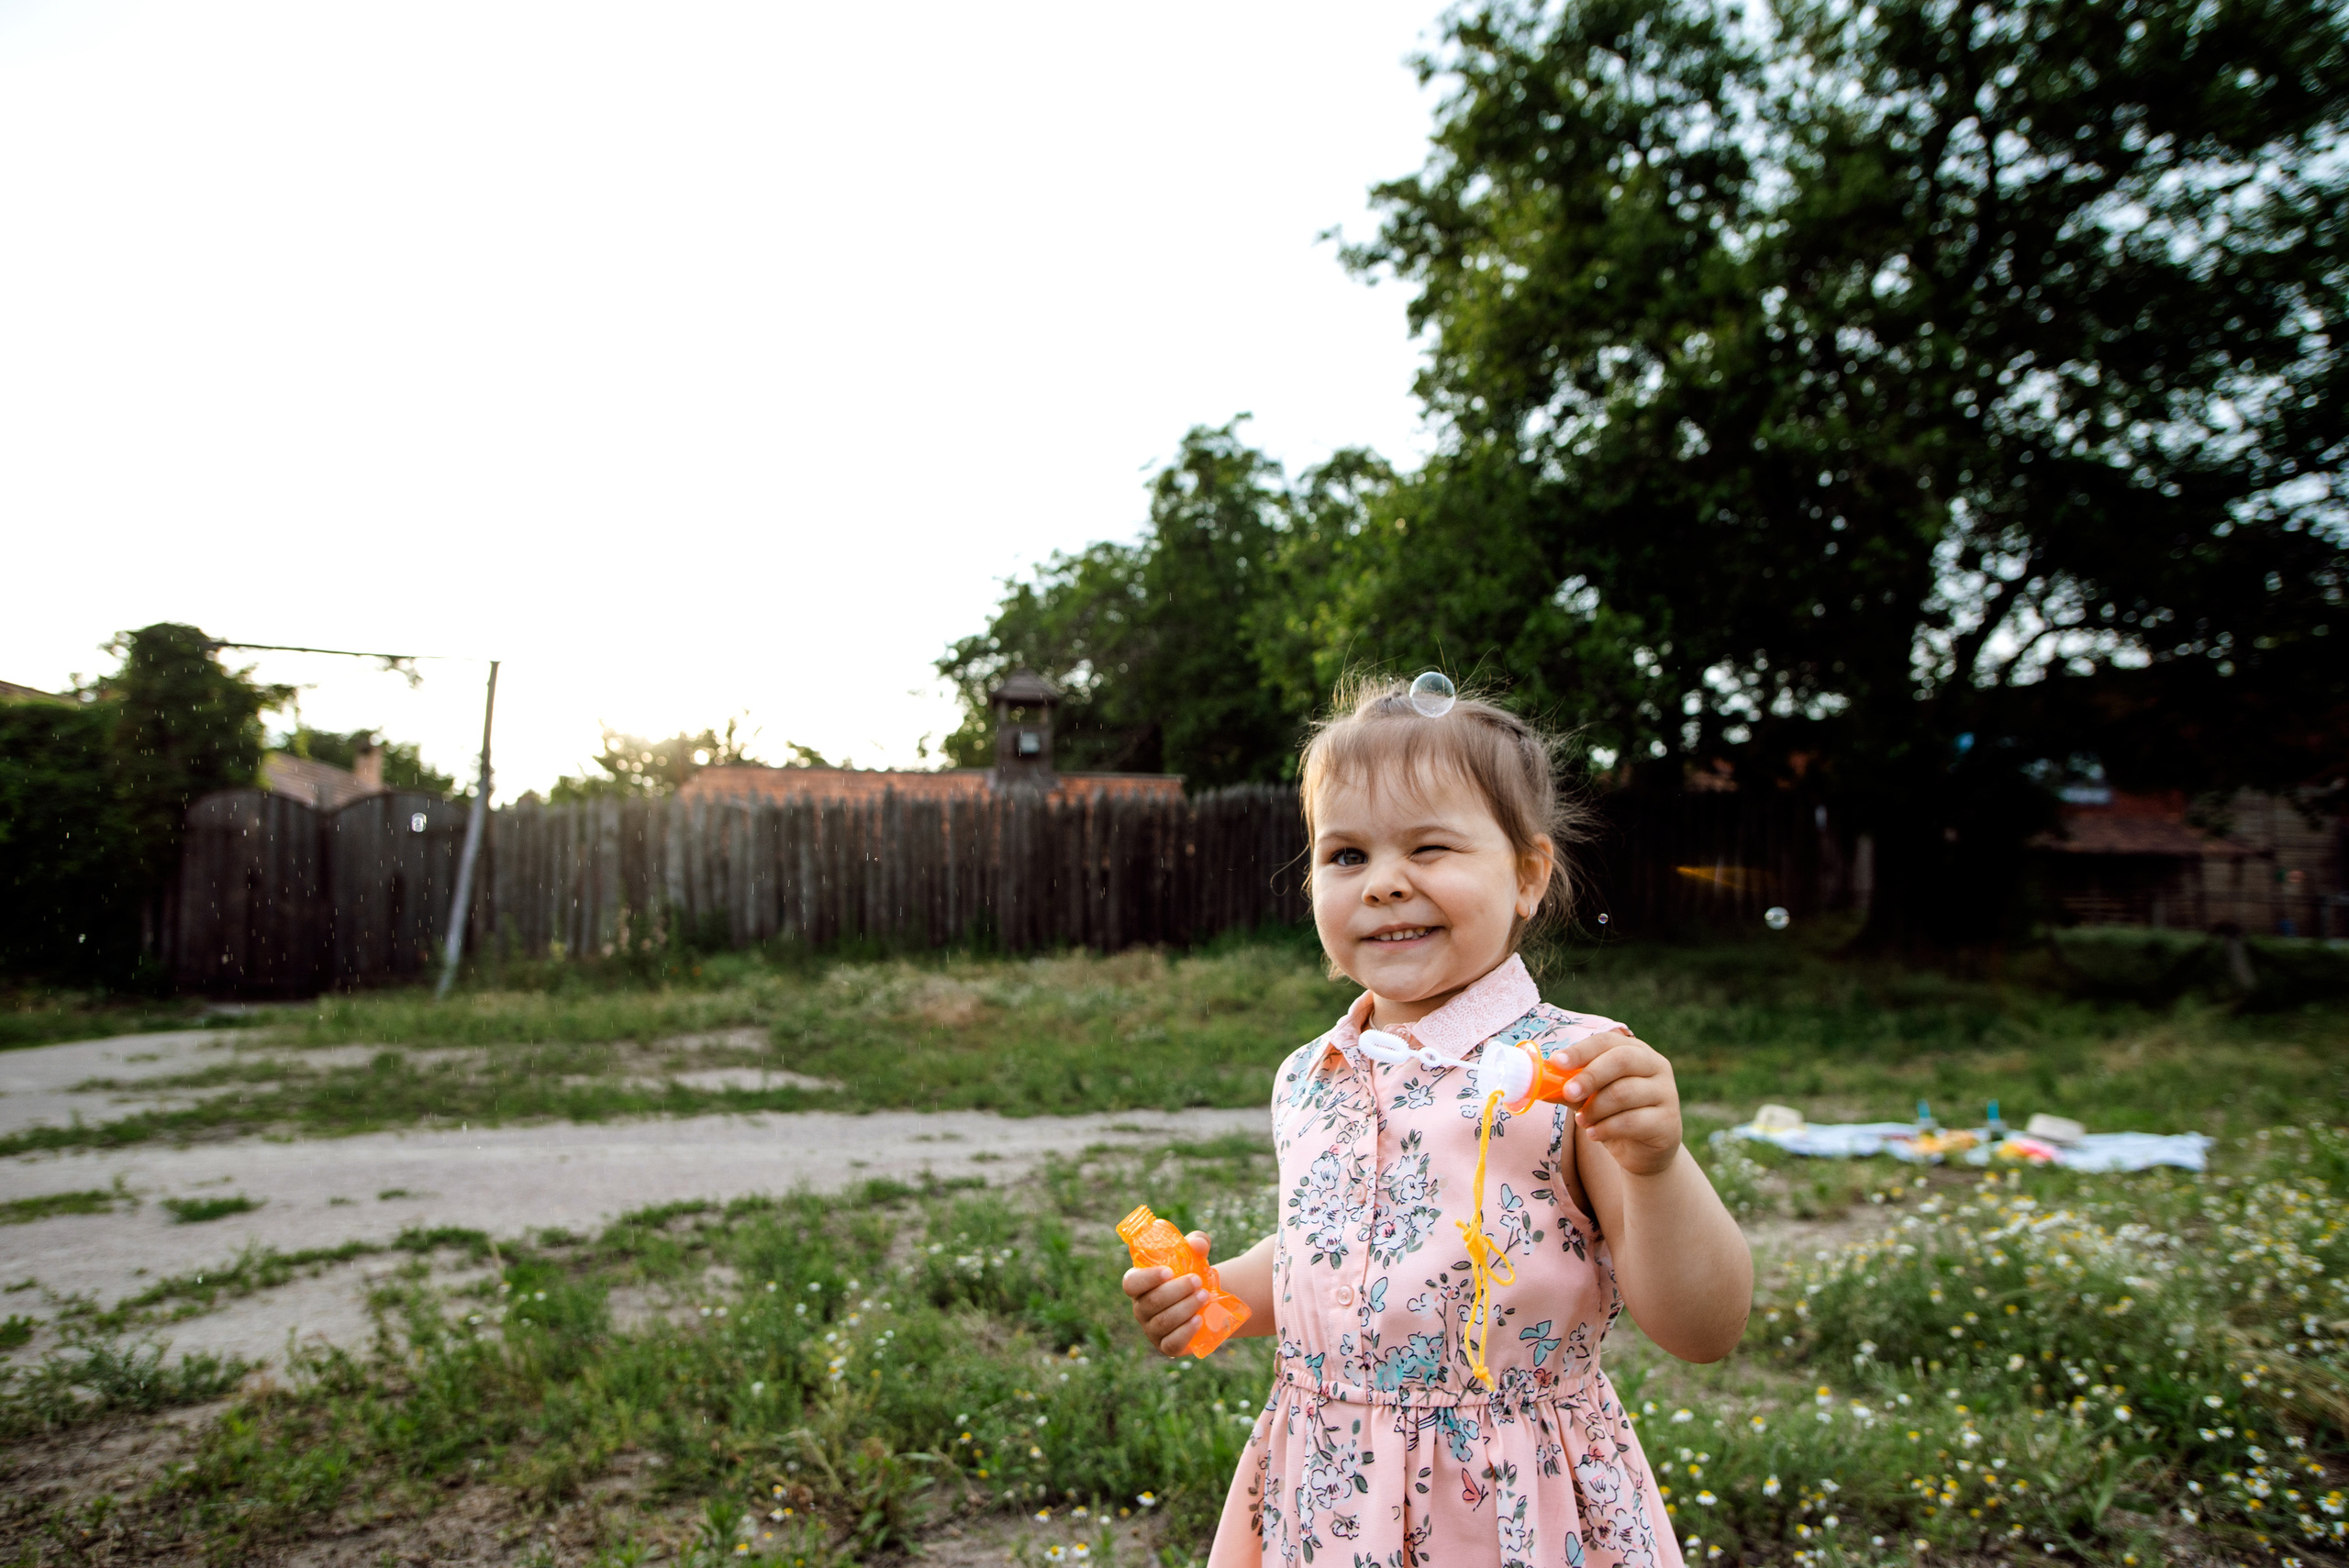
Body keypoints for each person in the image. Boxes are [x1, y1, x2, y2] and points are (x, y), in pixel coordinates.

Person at [1123, 678, 1752, 1568]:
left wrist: (1656, 1167)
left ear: (1527, 873)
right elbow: (1336, 1255)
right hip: (1331, 1497)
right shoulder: (1311, 1073)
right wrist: (1215, 1293)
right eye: (1345, 855)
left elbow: (1704, 1327)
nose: (1383, 882)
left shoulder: (1575, 1072)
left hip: (1506, 1507)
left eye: (1428, 845)